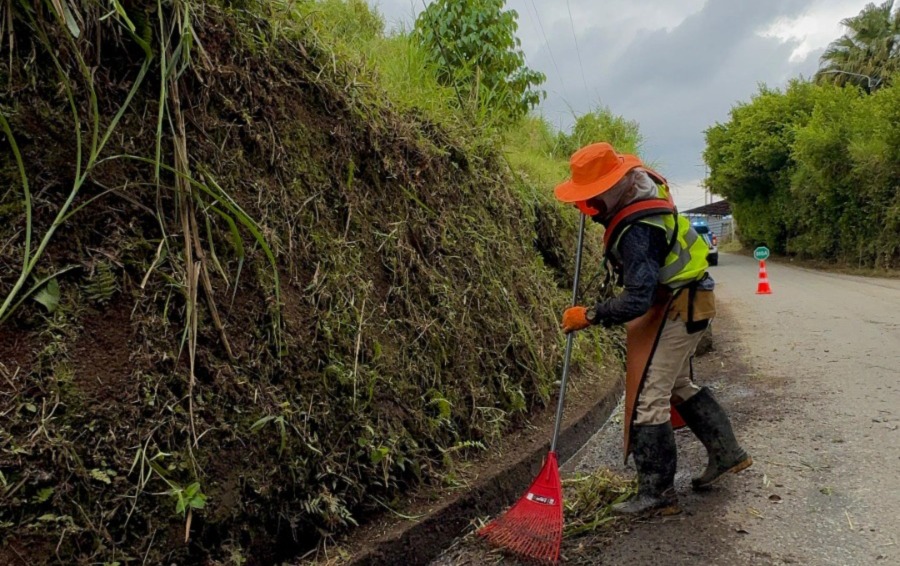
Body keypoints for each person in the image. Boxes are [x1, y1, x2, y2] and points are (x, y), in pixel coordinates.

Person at [554, 142, 752, 515]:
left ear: (612, 189)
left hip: (680, 306)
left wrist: (591, 315)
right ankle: (728, 454)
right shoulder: (643, 189)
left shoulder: (637, 233)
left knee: (649, 398)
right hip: (689, 297)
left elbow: (637, 299)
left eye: (591, 199)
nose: (588, 209)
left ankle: (657, 495)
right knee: (676, 384)